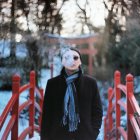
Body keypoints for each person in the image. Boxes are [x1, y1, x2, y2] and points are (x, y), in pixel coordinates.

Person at [41, 47, 103, 140]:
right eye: (67, 58)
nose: (72, 61)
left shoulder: (90, 83)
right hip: (57, 136)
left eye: (75, 58)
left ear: (80, 61)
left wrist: (93, 134)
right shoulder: (52, 84)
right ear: (63, 61)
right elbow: (47, 114)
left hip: (85, 136)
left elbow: (97, 112)